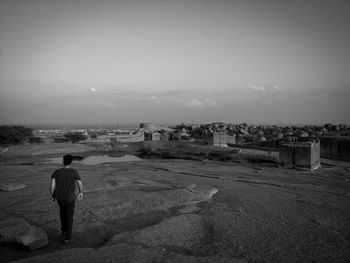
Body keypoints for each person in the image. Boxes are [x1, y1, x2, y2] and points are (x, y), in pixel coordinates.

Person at [50, 154, 83, 245]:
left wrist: (52, 195)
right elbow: (79, 183)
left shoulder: (56, 172)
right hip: (70, 198)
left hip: (60, 198)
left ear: (63, 161)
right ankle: (67, 239)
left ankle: (64, 230)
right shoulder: (73, 171)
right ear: (71, 162)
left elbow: (52, 184)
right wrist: (81, 192)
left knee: (62, 213)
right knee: (69, 217)